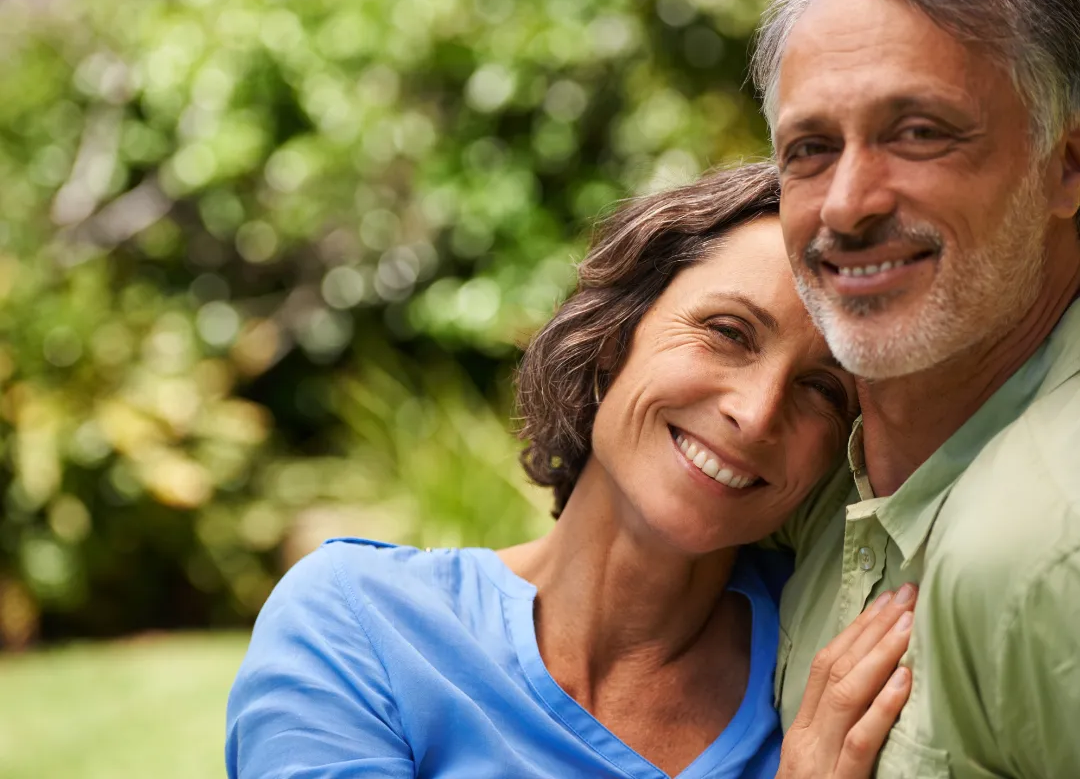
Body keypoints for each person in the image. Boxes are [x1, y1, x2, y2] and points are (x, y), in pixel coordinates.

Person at [225, 164, 917, 779]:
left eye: (823, 390)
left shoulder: (834, 653)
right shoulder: (359, 622)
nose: (758, 413)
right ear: (615, 338)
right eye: (728, 332)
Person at [750, 0, 1080, 777]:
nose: (849, 205)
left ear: (1067, 167)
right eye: (810, 149)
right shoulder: (815, 468)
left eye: (921, 133)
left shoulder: (1047, 549)